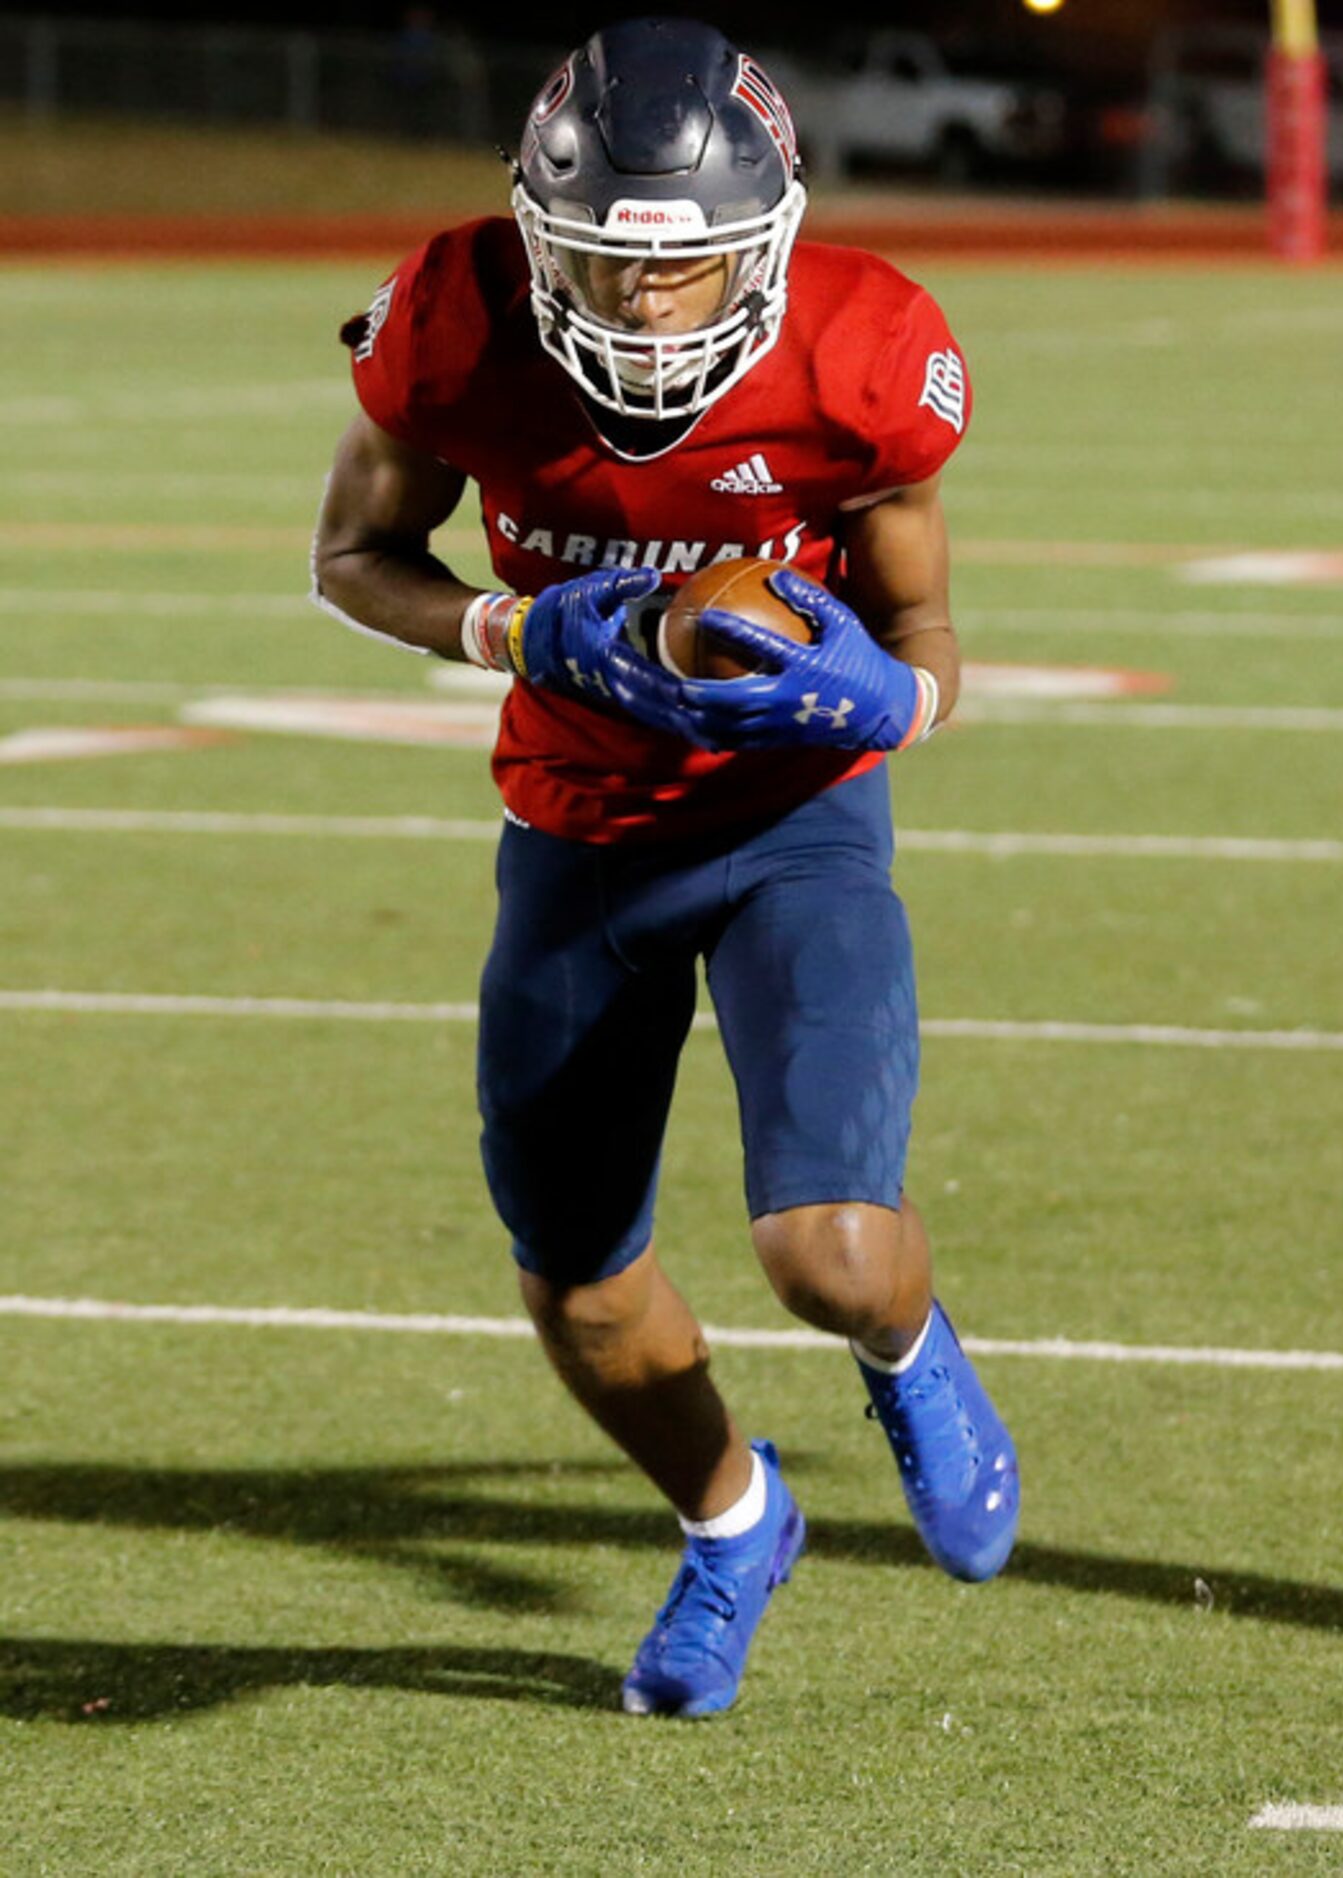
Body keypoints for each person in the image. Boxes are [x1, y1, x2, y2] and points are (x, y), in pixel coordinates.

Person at [310, 17, 1016, 1717]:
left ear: (764, 240)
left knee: (830, 1251)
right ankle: (731, 1518)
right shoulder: (459, 327)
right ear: (537, 231)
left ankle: (908, 1352)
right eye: (610, 267)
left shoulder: (864, 355)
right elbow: (352, 554)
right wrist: (511, 623)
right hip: (575, 832)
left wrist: (889, 691)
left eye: (691, 268)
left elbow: (924, 629)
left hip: (791, 820)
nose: (646, 304)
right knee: (575, 1272)